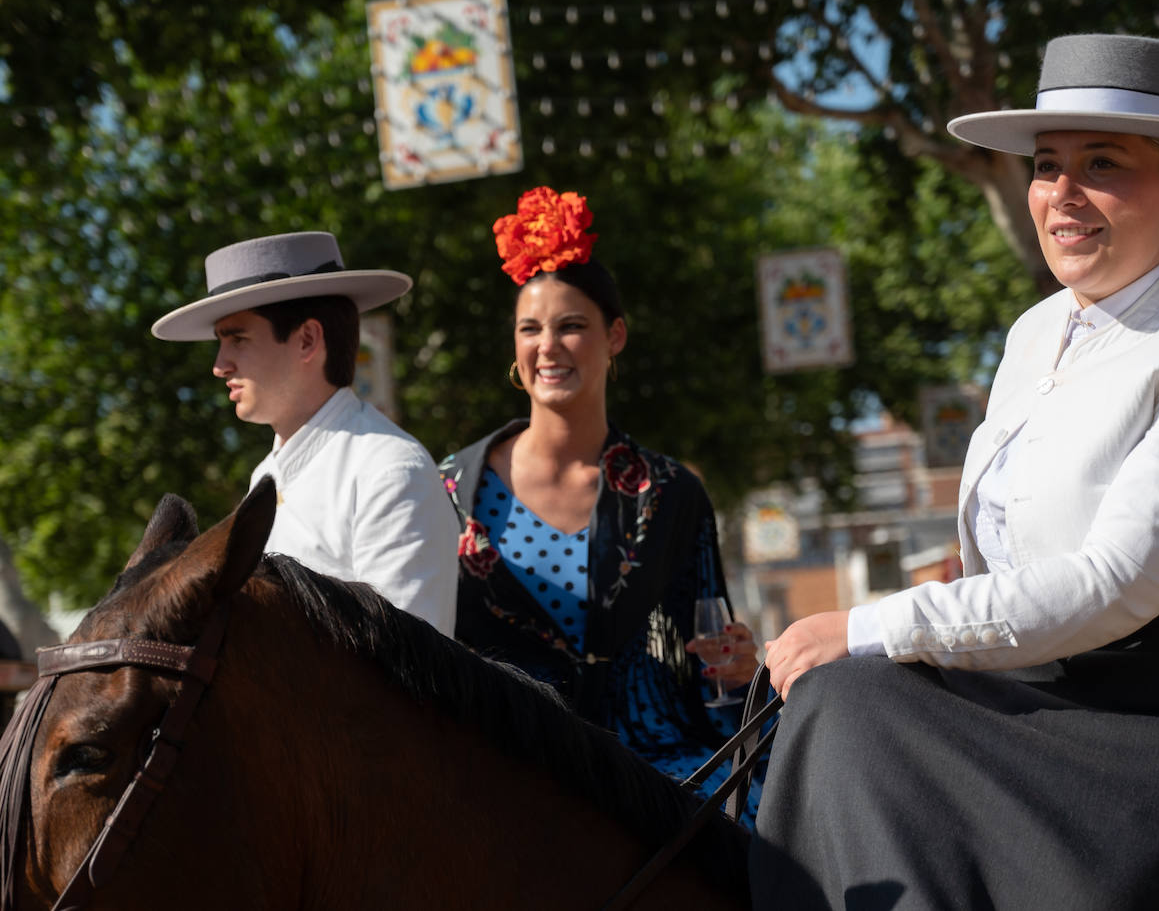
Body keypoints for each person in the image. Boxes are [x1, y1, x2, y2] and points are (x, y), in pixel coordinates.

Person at [751, 34, 1159, 909]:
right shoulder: (1032, 334)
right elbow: (1004, 569)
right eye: (1047, 166)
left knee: (851, 691)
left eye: (1102, 163)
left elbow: (1111, 583)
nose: (1062, 194)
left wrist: (863, 624)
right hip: (1051, 697)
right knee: (845, 706)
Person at [438, 187, 766, 822]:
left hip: (655, 768)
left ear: (615, 336)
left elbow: (707, 665)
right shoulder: (448, 488)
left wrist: (737, 664)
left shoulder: (672, 494)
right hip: (502, 769)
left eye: (571, 326)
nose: (548, 346)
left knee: (767, 829)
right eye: (529, 329)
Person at [152, 231, 459, 636]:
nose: (219, 365)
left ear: (307, 340)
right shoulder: (267, 473)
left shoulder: (390, 472)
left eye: (238, 339)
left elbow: (412, 663)